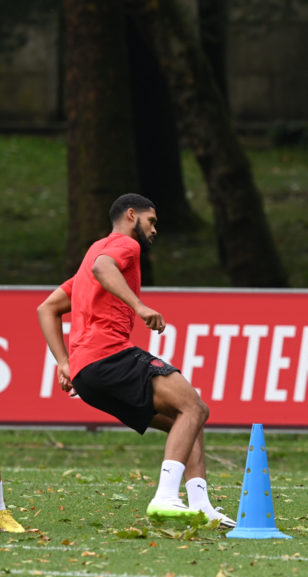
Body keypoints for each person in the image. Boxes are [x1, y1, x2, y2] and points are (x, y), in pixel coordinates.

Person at [37, 193, 235, 528]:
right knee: (196, 408)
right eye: (151, 221)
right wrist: (140, 307)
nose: (155, 230)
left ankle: (201, 506)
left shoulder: (90, 257)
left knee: (185, 421)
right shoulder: (125, 246)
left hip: (87, 378)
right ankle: (165, 497)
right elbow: (104, 268)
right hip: (110, 355)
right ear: (132, 216)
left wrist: (64, 363)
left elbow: (47, 308)